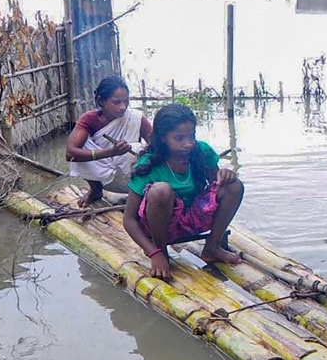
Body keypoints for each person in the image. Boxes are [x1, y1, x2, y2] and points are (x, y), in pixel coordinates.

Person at [123, 103, 244, 280]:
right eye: (179, 138)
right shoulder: (148, 166)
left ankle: (212, 247)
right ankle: (163, 252)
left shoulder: (201, 151)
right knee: (161, 190)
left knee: (234, 185)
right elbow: (129, 219)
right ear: (163, 138)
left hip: (193, 219)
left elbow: (216, 184)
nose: (188, 143)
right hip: (159, 226)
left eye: (191, 136)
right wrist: (154, 253)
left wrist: (225, 175)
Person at [66, 76, 152, 206]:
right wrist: (110, 152)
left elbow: (158, 145)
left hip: (134, 176)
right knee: (81, 148)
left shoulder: (135, 118)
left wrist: (138, 150)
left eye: (126, 101)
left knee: (139, 148)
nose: (123, 107)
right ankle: (96, 190)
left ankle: (139, 196)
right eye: (116, 102)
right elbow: (70, 154)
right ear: (101, 101)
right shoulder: (89, 119)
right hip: (102, 175)